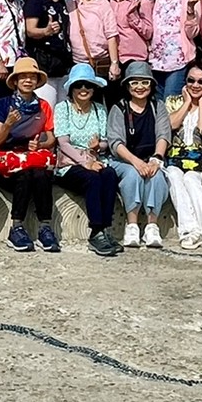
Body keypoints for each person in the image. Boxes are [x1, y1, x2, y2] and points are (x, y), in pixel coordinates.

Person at [0, 56, 60, 253]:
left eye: (32, 77)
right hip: (9, 162)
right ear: (15, 81)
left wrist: (40, 143)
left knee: (42, 174)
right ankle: (16, 227)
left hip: (33, 157)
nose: (28, 80)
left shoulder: (44, 105)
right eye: (23, 77)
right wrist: (8, 124)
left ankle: (45, 227)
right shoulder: (3, 104)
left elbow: (51, 138)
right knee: (24, 175)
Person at [53, 63, 122, 257]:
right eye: (78, 85)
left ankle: (105, 229)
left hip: (95, 159)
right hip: (69, 163)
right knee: (92, 178)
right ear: (71, 89)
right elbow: (63, 143)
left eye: (88, 85)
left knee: (109, 175)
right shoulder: (62, 108)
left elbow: (105, 141)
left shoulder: (99, 109)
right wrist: (85, 162)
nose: (83, 89)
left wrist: (98, 146)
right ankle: (96, 230)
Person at [108, 61, 172, 249]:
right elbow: (116, 143)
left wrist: (157, 158)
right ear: (127, 86)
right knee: (133, 175)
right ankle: (132, 226)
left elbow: (163, 134)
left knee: (157, 176)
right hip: (124, 160)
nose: (139, 87)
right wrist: (136, 162)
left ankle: (152, 226)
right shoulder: (119, 108)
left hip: (151, 157)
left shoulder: (158, 106)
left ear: (151, 85)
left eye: (144, 82)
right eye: (134, 82)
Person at [164, 65, 202, 254]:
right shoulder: (173, 102)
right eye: (191, 80)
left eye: (201, 82)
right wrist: (187, 102)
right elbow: (171, 125)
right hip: (174, 161)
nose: (195, 85)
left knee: (190, 178)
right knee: (173, 175)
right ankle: (190, 231)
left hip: (201, 163)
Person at [146, 0, 200, 98]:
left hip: (179, 61)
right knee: (157, 103)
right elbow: (137, 4)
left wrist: (190, 10)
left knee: (170, 101)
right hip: (156, 60)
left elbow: (192, 33)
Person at [25, 0, 73, 105]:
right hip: (44, 66)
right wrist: (46, 31)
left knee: (62, 110)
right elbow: (30, 30)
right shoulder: (36, 0)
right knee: (46, 109)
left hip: (62, 65)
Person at [103, 0, 152, 102]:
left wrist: (133, 17)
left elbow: (148, 32)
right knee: (112, 103)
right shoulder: (105, 0)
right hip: (110, 60)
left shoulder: (141, 1)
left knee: (136, 101)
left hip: (134, 59)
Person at [66, 0, 121, 84]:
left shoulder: (103, 3)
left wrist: (114, 63)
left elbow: (111, 34)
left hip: (101, 63)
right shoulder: (68, 4)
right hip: (77, 64)